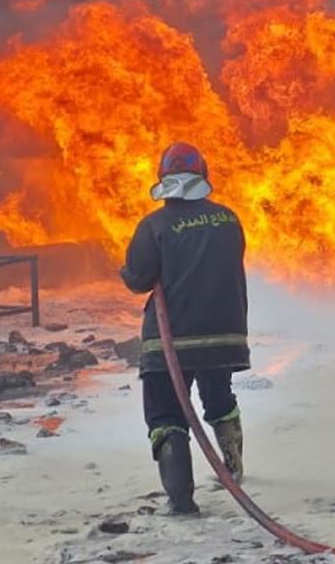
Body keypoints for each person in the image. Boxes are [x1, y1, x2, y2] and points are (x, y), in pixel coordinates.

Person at [119, 142, 249, 516]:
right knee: (219, 397)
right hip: (225, 335)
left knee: (165, 415)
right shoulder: (228, 219)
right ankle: (233, 466)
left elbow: (139, 278)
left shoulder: (154, 225)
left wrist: (126, 273)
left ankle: (182, 502)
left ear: (163, 179)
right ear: (203, 176)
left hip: (170, 340)